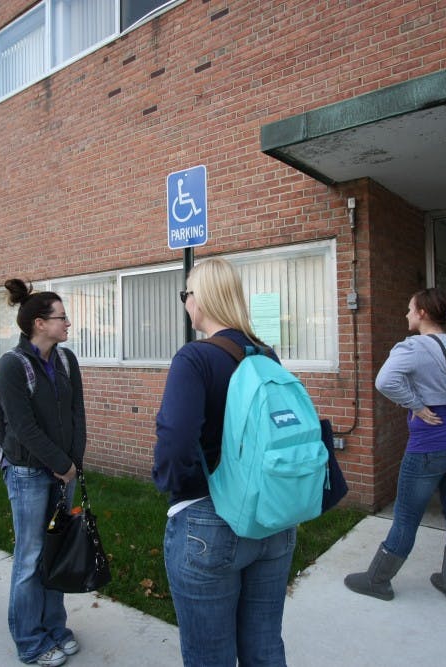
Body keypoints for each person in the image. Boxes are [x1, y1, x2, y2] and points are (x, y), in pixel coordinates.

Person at [153, 258, 294, 667]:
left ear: (201, 299)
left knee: (209, 657)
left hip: (210, 523)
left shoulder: (194, 358)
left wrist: (175, 484)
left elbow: (176, 443)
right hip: (273, 519)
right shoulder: (266, 354)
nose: (186, 303)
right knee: (265, 649)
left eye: (186, 294)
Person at [344, 287, 446, 606]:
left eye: (409, 309)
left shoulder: (413, 347)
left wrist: (415, 405)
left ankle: (378, 580)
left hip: (430, 442)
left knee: (406, 516)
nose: (405, 314)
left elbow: (384, 381)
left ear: (422, 314)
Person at [0, 279, 86, 667]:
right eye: (61, 317)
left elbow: (77, 414)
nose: (68, 324)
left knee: (57, 552)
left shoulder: (67, 360)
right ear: (38, 324)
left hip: (64, 473)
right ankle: (29, 641)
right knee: (31, 556)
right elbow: (23, 428)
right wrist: (60, 464)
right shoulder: (12, 366)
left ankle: (55, 627)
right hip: (29, 474)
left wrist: (74, 462)